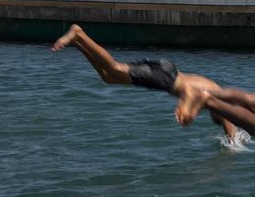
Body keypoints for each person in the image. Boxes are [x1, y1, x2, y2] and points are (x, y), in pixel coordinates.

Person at [50, 24, 242, 143]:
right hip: (165, 78)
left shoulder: (215, 89)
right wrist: (232, 142)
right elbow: (191, 92)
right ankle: (79, 34)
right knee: (115, 68)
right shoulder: (216, 98)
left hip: (166, 73)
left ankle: (79, 44)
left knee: (108, 77)